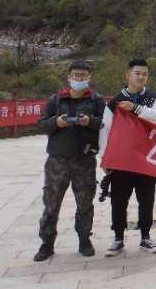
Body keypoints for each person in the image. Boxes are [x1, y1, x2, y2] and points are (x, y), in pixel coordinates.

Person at [34, 60, 105, 261]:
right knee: (51, 203)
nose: (79, 79)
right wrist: (56, 122)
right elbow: (40, 126)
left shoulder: (96, 101)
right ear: (69, 77)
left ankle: (84, 240)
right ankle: (47, 244)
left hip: (84, 160)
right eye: (76, 75)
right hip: (57, 161)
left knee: (85, 204)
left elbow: (106, 125)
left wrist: (89, 121)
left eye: (83, 76)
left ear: (89, 78)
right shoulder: (55, 100)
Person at [100, 58, 156, 256]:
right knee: (119, 201)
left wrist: (136, 109)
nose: (141, 77)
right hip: (122, 161)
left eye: (145, 74)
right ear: (127, 75)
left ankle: (145, 238)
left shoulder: (154, 97)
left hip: (146, 159)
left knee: (147, 199)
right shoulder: (115, 101)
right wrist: (105, 158)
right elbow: (105, 130)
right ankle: (118, 239)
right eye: (137, 73)